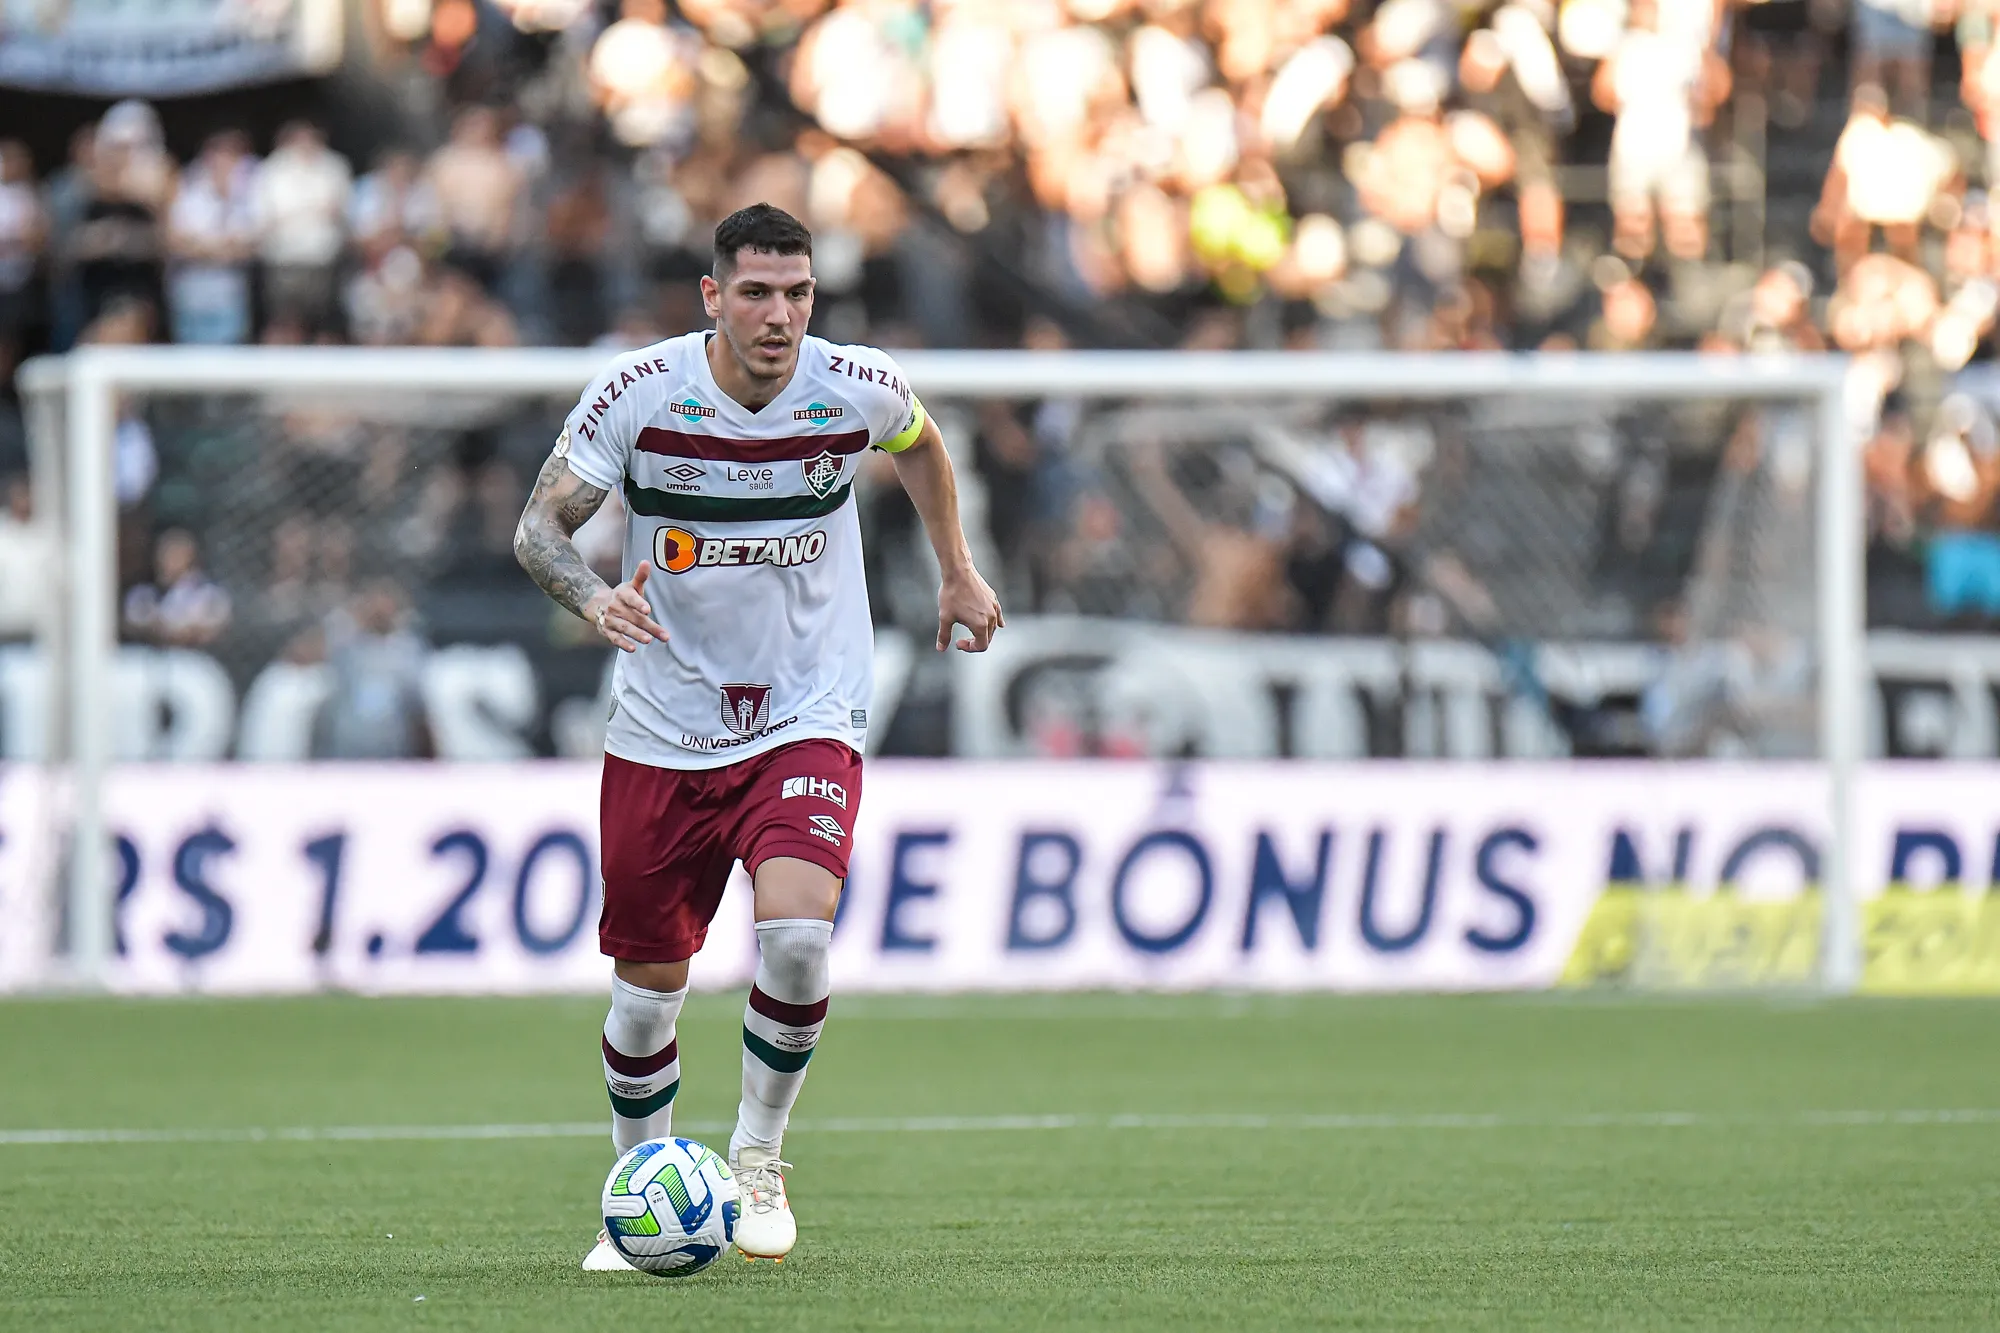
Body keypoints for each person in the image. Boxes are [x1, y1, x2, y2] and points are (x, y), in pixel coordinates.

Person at [513, 203, 1002, 1269]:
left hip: (805, 711)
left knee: (797, 936)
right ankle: (635, 1191)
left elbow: (921, 445)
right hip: (663, 726)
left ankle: (756, 1157)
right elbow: (538, 527)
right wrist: (592, 598)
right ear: (713, 297)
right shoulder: (638, 394)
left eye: (797, 293)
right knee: (646, 1000)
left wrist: (956, 570)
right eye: (756, 293)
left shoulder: (854, 384)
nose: (779, 316)